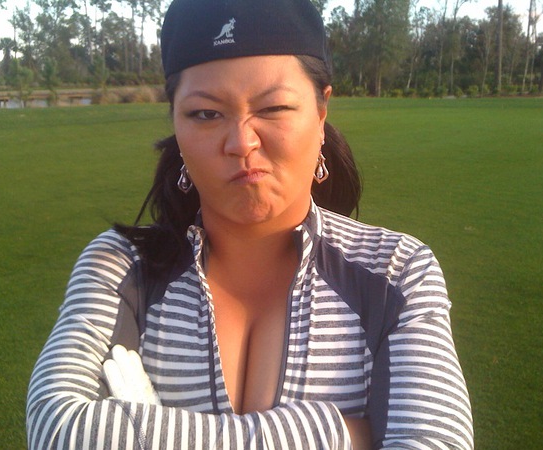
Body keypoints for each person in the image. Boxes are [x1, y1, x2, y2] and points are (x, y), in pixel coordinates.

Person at [26, 0, 474, 448]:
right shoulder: (123, 265)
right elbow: (58, 430)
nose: (241, 142)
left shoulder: (395, 271)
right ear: (176, 124)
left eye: (274, 107)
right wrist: (345, 434)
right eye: (206, 113)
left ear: (321, 113)